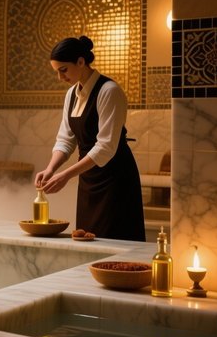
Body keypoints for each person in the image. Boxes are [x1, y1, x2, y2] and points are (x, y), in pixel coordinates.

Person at [35, 36, 145, 241]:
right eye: (57, 71)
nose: (60, 77)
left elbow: (105, 147)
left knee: (115, 240)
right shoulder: (71, 95)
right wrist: (51, 169)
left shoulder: (109, 91)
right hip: (88, 177)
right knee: (87, 238)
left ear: (80, 61)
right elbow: (66, 139)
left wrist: (66, 175)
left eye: (63, 70)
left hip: (115, 178)